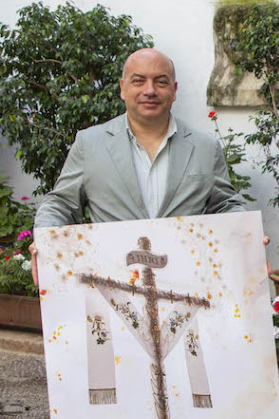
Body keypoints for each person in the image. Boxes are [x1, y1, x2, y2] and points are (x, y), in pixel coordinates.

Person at [30, 48, 247, 285]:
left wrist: (248, 236)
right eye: (139, 81)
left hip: (188, 286)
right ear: (123, 88)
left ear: (174, 91)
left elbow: (225, 205)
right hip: (113, 286)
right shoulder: (89, 143)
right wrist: (45, 239)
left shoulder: (205, 147)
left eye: (161, 82)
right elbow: (61, 203)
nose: (150, 90)